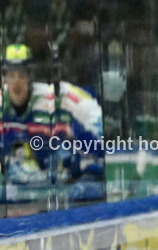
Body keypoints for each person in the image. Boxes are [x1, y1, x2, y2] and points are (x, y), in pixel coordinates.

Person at [1, 43, 104, 202]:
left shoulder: (57, 96)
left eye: (21, 75)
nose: (16, 82)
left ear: (30, 76)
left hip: (63, 187)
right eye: (10, 75)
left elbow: (95, 115)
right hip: (21, 194)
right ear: (4, 78)